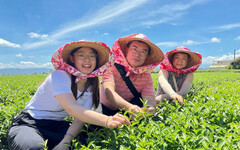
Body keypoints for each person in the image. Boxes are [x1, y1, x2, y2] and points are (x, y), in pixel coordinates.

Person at [7, 40, 130, 150]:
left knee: (84, 142)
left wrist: (65, 142)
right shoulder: (60, 75)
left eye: (92, 56)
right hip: (30, 123)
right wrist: (107, 120)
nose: (87, 59)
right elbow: (72, 108)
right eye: (81, 55)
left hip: (56, 125)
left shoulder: (91, 84)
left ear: (96, 60)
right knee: (34, 147)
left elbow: (80, 118)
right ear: (72, 58)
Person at [100, 33, 164, 117]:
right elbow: (109, 92)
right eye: (134, 49)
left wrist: (150, 109)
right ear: (126, 50)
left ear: (146, 56)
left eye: (143, 52)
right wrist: (128, 107)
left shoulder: (146, 75)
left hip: (129, 111)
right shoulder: (110, 67)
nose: (137, 55)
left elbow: (149, 101)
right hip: (105, 109)